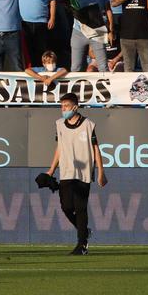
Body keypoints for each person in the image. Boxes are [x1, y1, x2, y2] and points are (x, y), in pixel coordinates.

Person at [44, 92, 106, 255]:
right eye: (61, 106)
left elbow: (95, 149)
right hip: (66, 172)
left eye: (66, 106)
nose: (63, 109)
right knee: (66, 207)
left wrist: (101, 171)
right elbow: (60, 148)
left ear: (75, 107)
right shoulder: (59, 124)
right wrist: (51, 170)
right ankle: (84, 230)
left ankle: (81, 244)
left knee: (80, 208)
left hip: (83, 172)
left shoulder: (88, 124)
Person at [67, 0, 114, 73]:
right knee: (75, 67)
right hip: (79, 31)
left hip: (98, 30)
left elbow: (108, 10)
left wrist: (111, 30)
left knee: (103, 66)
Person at [19, 0, 57, 68]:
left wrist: (52, 17)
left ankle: (41, 73)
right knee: (25, 50)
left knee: (41, 50)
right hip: (23, 22)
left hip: (41, 22)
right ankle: (28, 73)